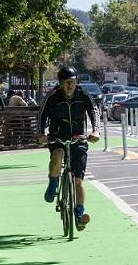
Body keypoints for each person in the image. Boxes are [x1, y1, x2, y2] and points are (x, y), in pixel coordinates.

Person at [38, 67, 100, 231]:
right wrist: (41, 133)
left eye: (73, 81)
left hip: (78, 138)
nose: (70, 85)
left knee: (78, 180)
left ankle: (80, 214)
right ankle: (53, 183)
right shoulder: (52, 96)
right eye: (67, 82)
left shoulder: (83, 95)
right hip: (57, 136)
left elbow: (94, 110)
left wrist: (95, 130)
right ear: (60, 83)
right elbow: (42, 113)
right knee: (58, 154)